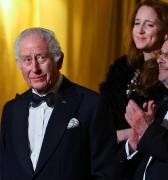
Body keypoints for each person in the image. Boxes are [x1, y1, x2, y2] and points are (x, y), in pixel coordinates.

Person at [0, 27, 119, 180]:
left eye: (41, 58)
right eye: (27, 60)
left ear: (59, 60)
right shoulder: (11, 110)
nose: (35, 68)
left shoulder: (92, 105)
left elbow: (106, 174)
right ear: (20, 65)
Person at [100, 0, 168, 142]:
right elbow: (102, 111)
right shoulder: (121, 66)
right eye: (137, 23)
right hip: (112, 147)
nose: (140, 30)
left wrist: (122, 134)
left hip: (147, 152)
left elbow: (165, 125)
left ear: (165, 32)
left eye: (149, 25)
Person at [119, 32, 168, 180]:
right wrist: (134, 144)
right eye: (161, 54)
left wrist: (148, 131)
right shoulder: (160, 108)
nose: (159, 60)